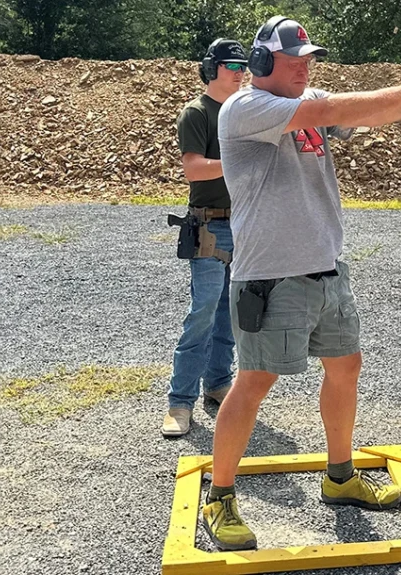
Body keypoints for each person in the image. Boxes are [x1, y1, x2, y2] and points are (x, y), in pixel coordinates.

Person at [200, 16, 401, 550]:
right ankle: (219, 497)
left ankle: (340, 477)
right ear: (262, 64)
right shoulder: (247, 108)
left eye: (307, 60)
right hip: (271, 276)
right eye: (293, 62)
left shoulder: (303, 98)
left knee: (346, 368)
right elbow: (331, 109)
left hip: (326, 265)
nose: (303, 68)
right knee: (254, 382)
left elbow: (364, 113)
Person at [161, 39, 249, 438]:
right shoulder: (197, 113)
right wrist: (241, 159)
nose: (239, 71)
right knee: (202, 314)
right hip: (211, 227)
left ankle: (217, 384)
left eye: (242, 65)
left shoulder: (242, 110)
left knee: (230, 316)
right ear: (212, 69)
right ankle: (180, 401)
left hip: (244, 224)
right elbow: (195, 170)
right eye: (231, 65)